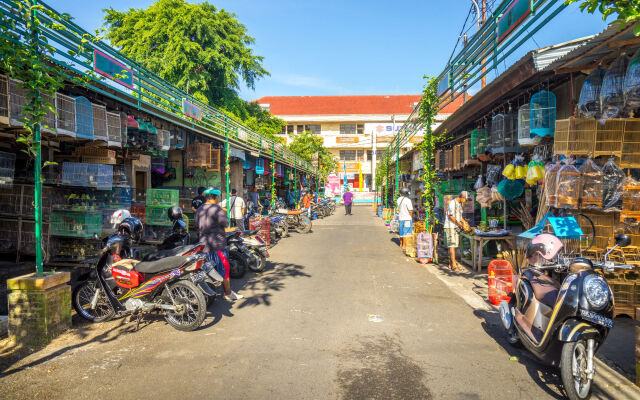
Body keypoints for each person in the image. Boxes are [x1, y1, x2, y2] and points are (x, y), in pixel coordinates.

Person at [194, 188, 243, 300]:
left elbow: (196, 227)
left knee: (208, 270)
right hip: (217, 245)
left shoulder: (200, 208)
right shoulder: (216, 209)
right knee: (224, 269)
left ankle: (210, 293)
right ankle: (228, 292)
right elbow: (226, 223)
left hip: (203, 245)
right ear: (216, 198)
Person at [444, 191, 469, 271]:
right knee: (452, 245)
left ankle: (451, 264)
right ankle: (454, 265)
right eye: (466, 199)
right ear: (462, 197)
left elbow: (459, 216)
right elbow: (450, 216)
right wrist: (461, 225)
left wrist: (464, 222)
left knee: (454, 245)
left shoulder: (459, 204)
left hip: (455, 227)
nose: (466, 201)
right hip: (450, 226)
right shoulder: (452, 203)